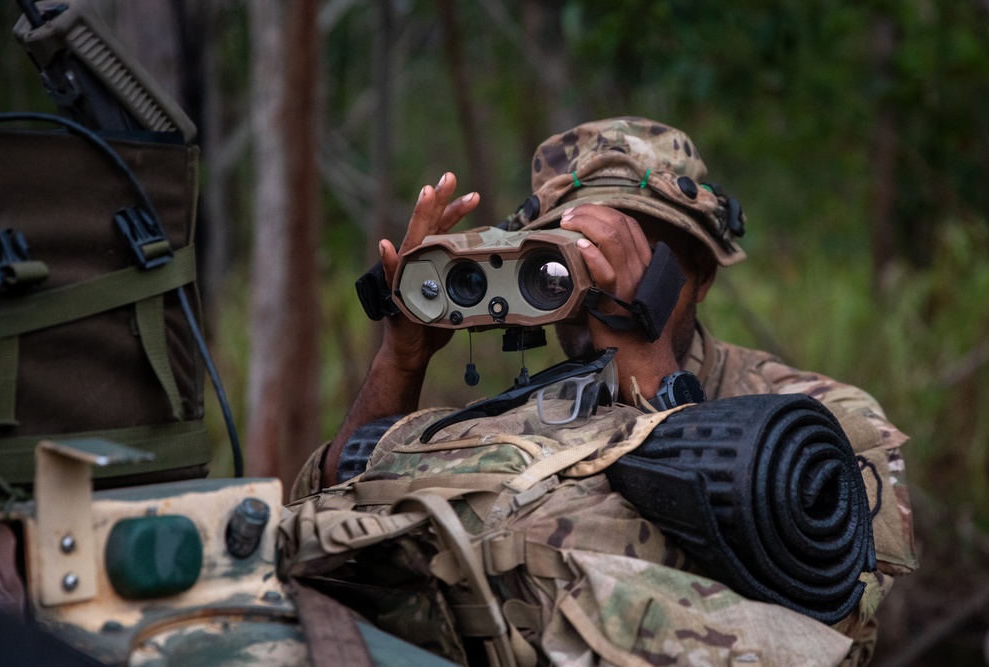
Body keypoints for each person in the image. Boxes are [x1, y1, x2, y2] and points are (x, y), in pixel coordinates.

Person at [291, 117, 917, 662]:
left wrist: (645, 360)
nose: (612, 272)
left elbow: (836, 624)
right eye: (579, 253)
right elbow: (325, 529)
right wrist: (401, 360)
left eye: (645, 252)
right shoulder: (515, 423)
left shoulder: (819, 423)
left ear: (700, 277)